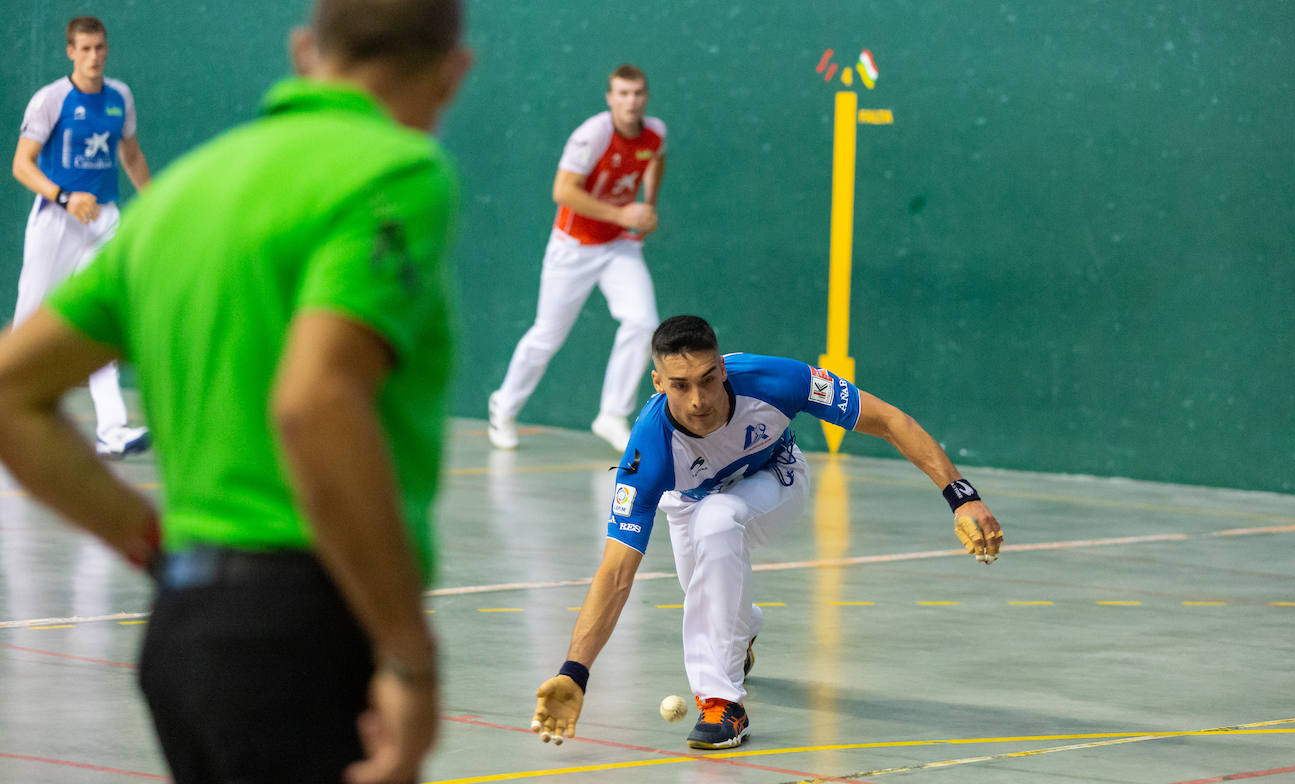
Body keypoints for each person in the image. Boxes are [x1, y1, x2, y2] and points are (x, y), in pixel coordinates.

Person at [0, 1, 471, 781]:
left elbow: (11, 392)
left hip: (183, 634)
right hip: (308, 634)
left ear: (302, 51)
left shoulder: (183, 193)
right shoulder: (396, 171)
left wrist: (151, 543)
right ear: (453, 73)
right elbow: (316, 400)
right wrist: (408, 657)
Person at [530, 315, 1004, 750]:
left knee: (718, 523)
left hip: (777, 478)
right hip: (687, 501)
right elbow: (615, 574)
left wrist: (961, 496)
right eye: (679, 386)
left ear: (722, 369)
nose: (697, 400)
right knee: (708, 588)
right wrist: (575, 672)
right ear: (658, 383)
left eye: (707, 380)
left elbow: (891, 421)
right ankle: (745, 629)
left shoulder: (777, 380)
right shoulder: (646, 454)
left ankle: (722, 704)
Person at [488, 64, 666, 453]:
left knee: (643, 323)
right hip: (574, 246)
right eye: (622, 93)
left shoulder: (655, 133)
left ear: (645, 97)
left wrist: (648, 206)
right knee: (547, 336)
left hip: (619, 246)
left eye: (637, 93)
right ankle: (504, 405)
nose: (630, 101)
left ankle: (612, 415)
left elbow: (655, 158)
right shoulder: (593, 135)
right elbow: (563, 191)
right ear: (610, 97)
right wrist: (624, 214)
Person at [11, 16, 153, 457]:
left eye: (100, 48)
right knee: (31, 319)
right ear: (71, 52)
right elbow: (22, 165)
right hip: (57, 219)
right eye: (85, 49)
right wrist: (64, 196)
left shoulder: (119, 98)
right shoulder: (50, 100)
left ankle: (112, 431)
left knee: (103, 316)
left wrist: (153, 202)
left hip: (104, 217)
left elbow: (129, 153)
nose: (94, 57)